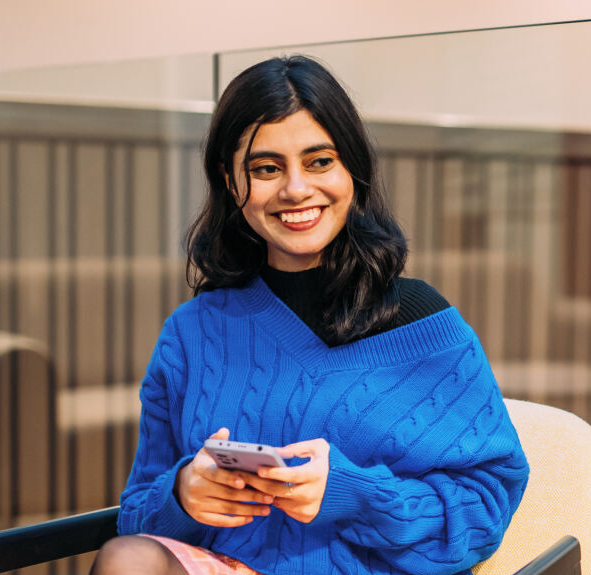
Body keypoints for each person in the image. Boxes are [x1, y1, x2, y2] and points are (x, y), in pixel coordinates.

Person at [91, 55, 529, 575]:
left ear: (353, 172)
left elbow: (484, 508)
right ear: (232, 185)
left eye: (320, 161)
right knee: (127, 560)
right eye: (266, 168)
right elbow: (136, 514)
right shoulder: (192, 333)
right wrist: (183, 494)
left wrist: (353, 494)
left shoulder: (422, 325)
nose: (296, 189)